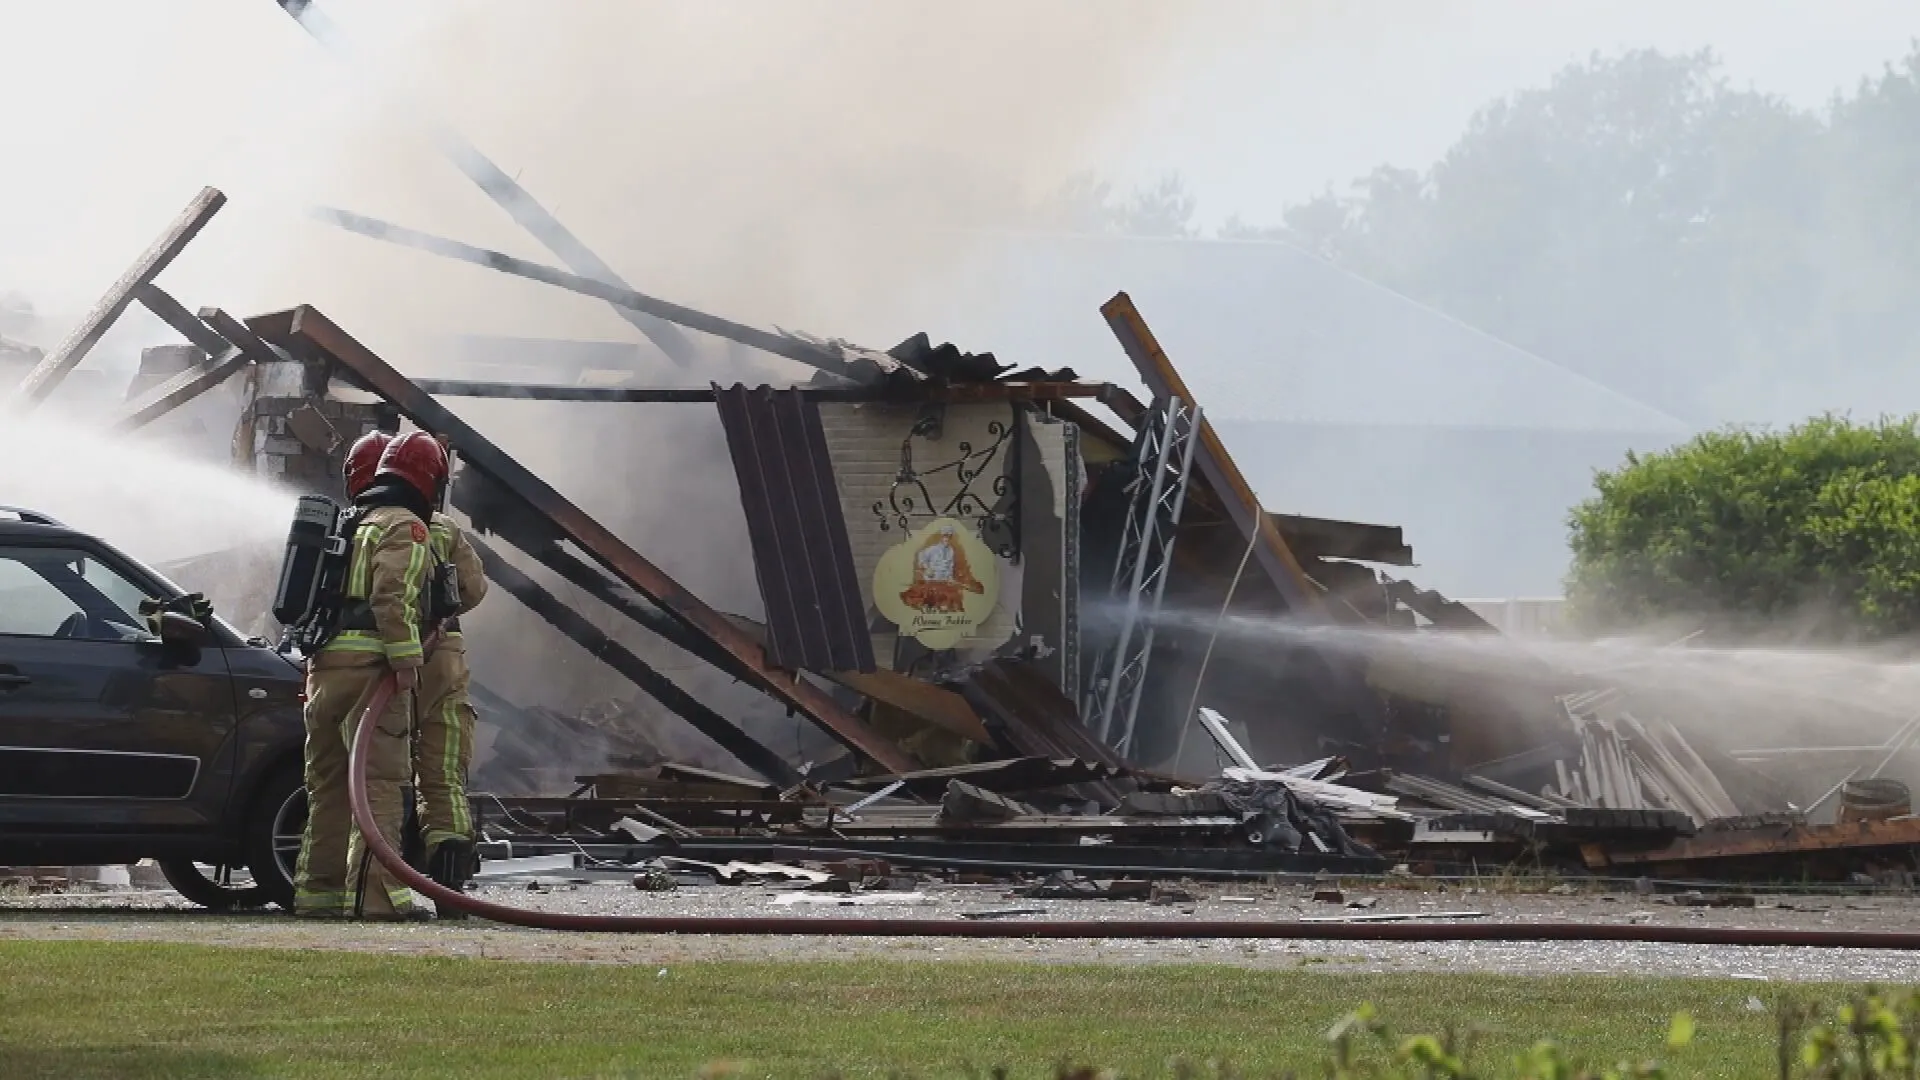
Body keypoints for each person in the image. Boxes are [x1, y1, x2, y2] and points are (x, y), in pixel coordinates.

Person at [291, 429, 446, 921]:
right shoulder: (404, 526)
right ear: (428, 480)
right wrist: (405, 663)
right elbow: (391, 596)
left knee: (329, 788)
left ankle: (319, 895)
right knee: (378, 785)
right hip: (369, 673)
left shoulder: (354, 523)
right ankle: (378, 899)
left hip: (324, 670)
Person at [413, 443, 488, 914]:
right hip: (438, 656)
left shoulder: (362, 528)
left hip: (370, 662)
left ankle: (371, 885)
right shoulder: (440, 531)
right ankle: (449, 886)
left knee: (374, 775)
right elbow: (474, 589)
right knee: (441, 772)